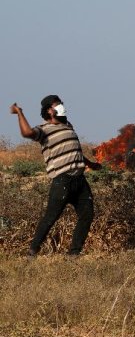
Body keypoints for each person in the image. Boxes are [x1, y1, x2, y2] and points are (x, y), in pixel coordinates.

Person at [9, 95, 102, 256]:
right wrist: (19, 113)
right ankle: (32, 251)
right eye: (58, 105)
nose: (62, 107)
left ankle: (73, 254)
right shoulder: (44, 130)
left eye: (62, 104)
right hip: (62, 181)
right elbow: (27, 132)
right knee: (50, 218)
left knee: (87, 215)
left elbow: (74, 150)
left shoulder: (68, 126)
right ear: (49, 110)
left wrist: (90, 164)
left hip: (80, 181)